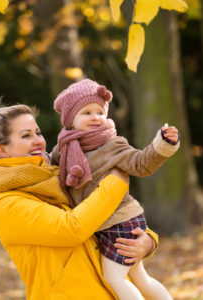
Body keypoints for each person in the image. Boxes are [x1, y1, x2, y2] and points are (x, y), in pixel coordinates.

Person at [0, 103, 159, 299]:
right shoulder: (6, 203)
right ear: (2, 150)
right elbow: (72, 228)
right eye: (26, 136)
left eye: (37, 133)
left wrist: (147, 241)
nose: (38, 141)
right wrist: (116, 181)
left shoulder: (61, 174)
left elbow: (108, 215)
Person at [51, 79, 180, 300]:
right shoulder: (63, 149)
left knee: (115, 279)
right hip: (102, 222)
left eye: (100, 112)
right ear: (70, 121)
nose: (95, 117)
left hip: (120, 220)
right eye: (86, 112)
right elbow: (50, 169)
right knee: (140, 279)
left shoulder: (112, 144)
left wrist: (162, 145)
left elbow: (141, 163)